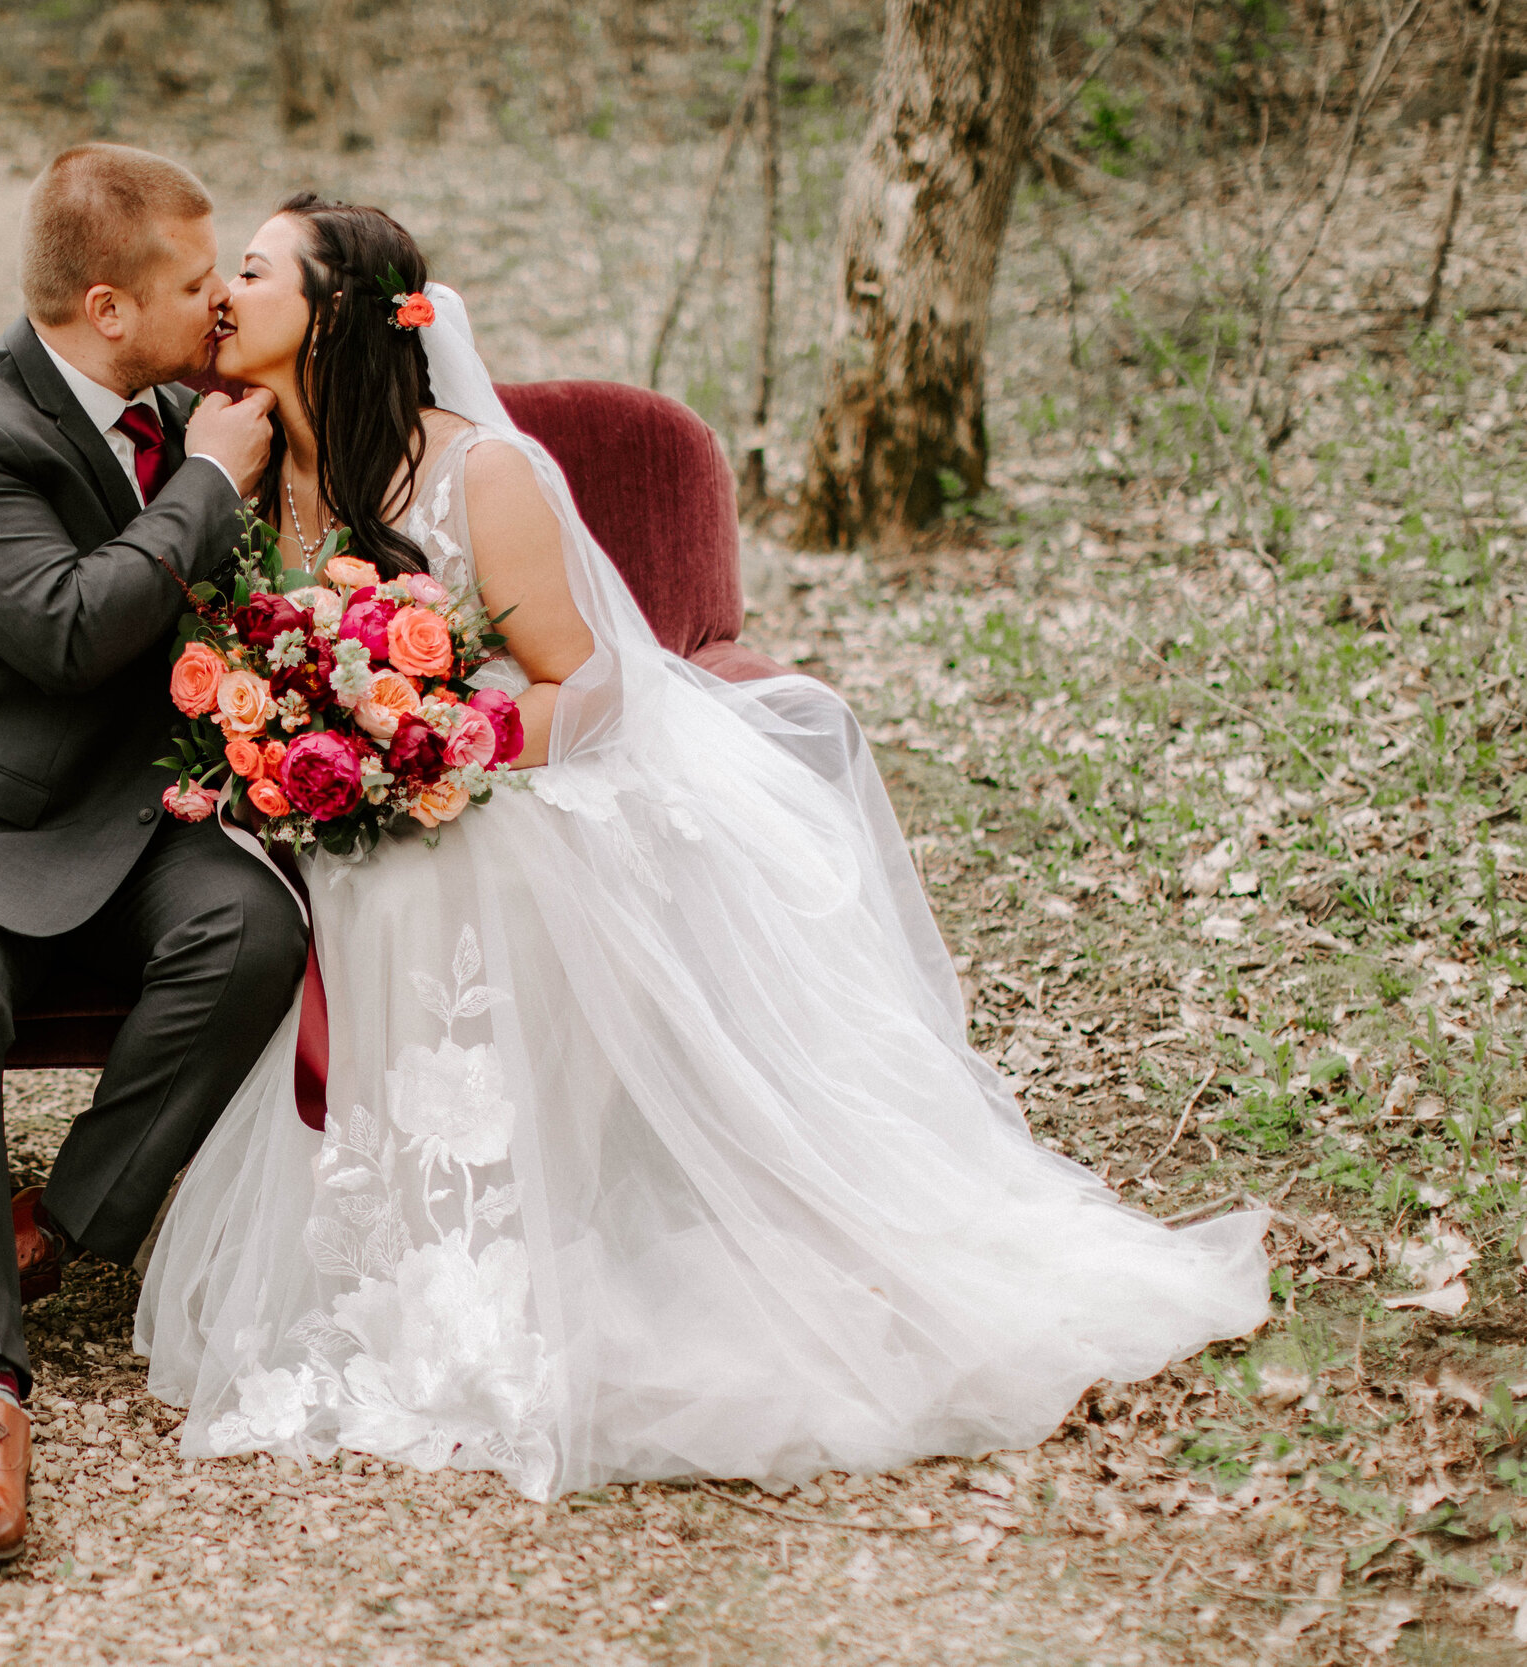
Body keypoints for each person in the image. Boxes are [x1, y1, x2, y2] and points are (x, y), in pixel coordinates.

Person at [133, 194, 1271, 1500]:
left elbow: (587, 685)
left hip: (498, 789)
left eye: (255, 271)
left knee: (451, 876)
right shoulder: (242, 467)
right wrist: (296, 752)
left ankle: (516, 1258)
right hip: (342, 808)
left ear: (331, 315)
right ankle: (388, 1262)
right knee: (350, 887)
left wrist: (431, 753)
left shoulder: (475, 474)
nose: (223, 292)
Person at [0, 145, 306, 1563]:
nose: (220, 310)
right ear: (106, 306)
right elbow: (70, 626)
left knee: (255, 932)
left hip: (126, 810)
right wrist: (207, 483)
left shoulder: (163, 405)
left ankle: (54, 1222)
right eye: (196, 285)